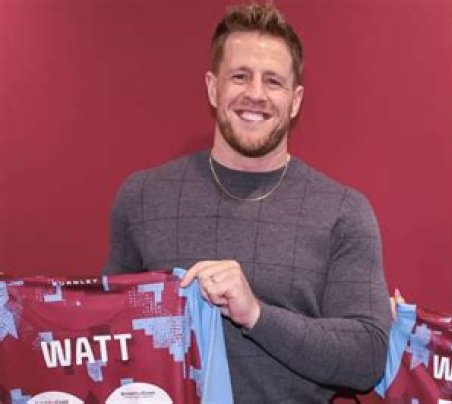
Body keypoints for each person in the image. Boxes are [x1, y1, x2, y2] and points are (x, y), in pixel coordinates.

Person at [104, 4, 392, 402]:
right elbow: (110, 336)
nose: (255, 94)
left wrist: (256, 313)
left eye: (273, 81)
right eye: (240, 76)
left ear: (295, 100)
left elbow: (367, 358)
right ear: (213, 88)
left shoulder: (343, 212)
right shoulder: (142, 198)